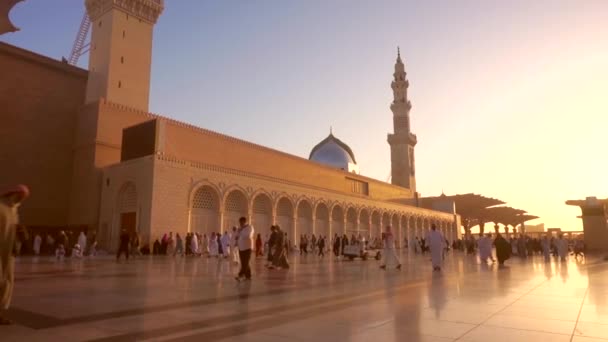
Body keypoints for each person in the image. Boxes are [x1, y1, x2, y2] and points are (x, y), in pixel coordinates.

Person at [0, 185, 29, 325]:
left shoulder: (14, 210)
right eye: (20, 195)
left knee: (7, 282)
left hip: (9, 253)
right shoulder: (1, 207)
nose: (20, 199)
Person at [235, 217, 254, 282]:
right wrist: (238, 232)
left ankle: (240, 275)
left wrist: (240, 231)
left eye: (241, 222)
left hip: (248, 247)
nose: (240, 224)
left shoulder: (250, 227)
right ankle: (248, 276)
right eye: (240, 222)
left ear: (244, 221)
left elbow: (248, 235)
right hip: (241, 247)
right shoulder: (240, 228)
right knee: (244, 262)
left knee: (245, 262)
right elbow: (236, 236)